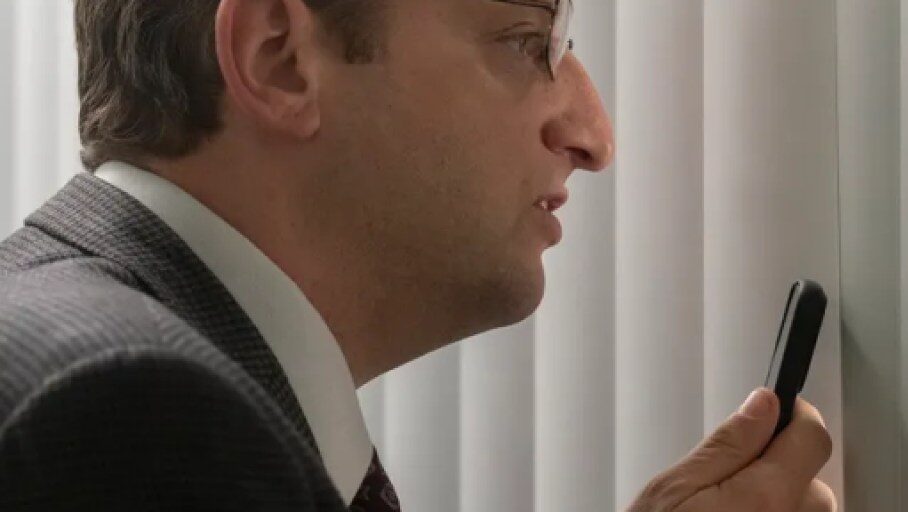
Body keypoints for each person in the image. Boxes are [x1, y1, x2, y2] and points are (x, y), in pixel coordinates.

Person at [0, 0, 835, 510]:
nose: (594, 138)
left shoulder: (73, 340)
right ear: (278, 59)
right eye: (527, 39)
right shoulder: (131, 420)